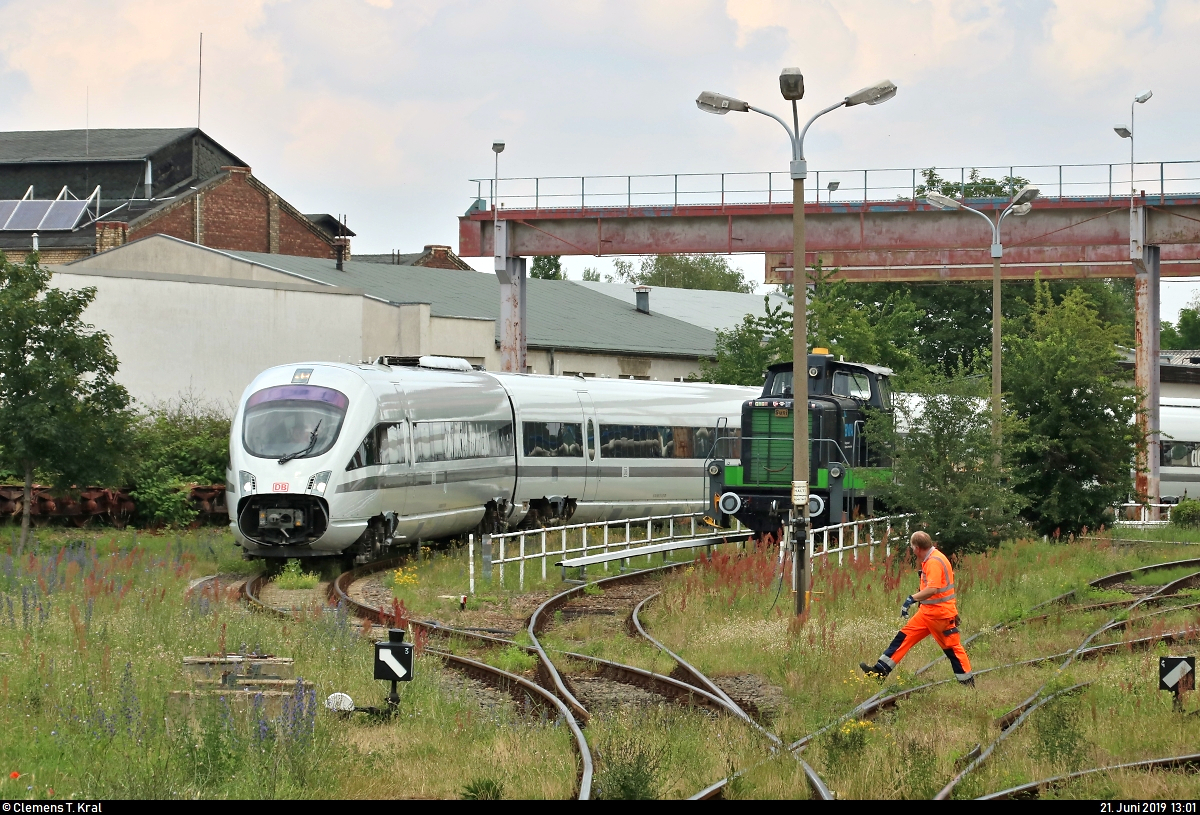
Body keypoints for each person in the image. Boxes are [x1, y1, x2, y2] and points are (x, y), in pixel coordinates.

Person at [860, 531, 974, 686]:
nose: (913, 551)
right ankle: (880, 672)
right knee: (903, 638)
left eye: (913, 548)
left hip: (939, 616)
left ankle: (967, 684)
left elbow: (933, 589)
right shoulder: (934, 558)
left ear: (918, 548)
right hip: (927, 613)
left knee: (952, 649)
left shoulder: (934, 562)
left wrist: (911, 599)